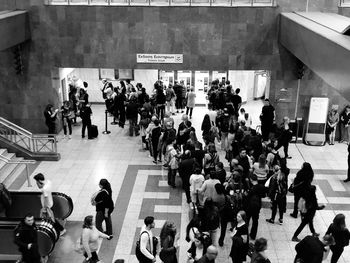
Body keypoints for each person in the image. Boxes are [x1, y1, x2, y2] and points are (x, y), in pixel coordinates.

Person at [246, 174, 267, 240]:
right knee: (255, 221)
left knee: (247, 219)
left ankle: (245, 233)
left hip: (250, 206)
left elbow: (247, 197)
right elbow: (264, 195)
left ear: (251, 180)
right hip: (258, 205)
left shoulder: (251, 189)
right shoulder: (262, 187)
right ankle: (253, 235)